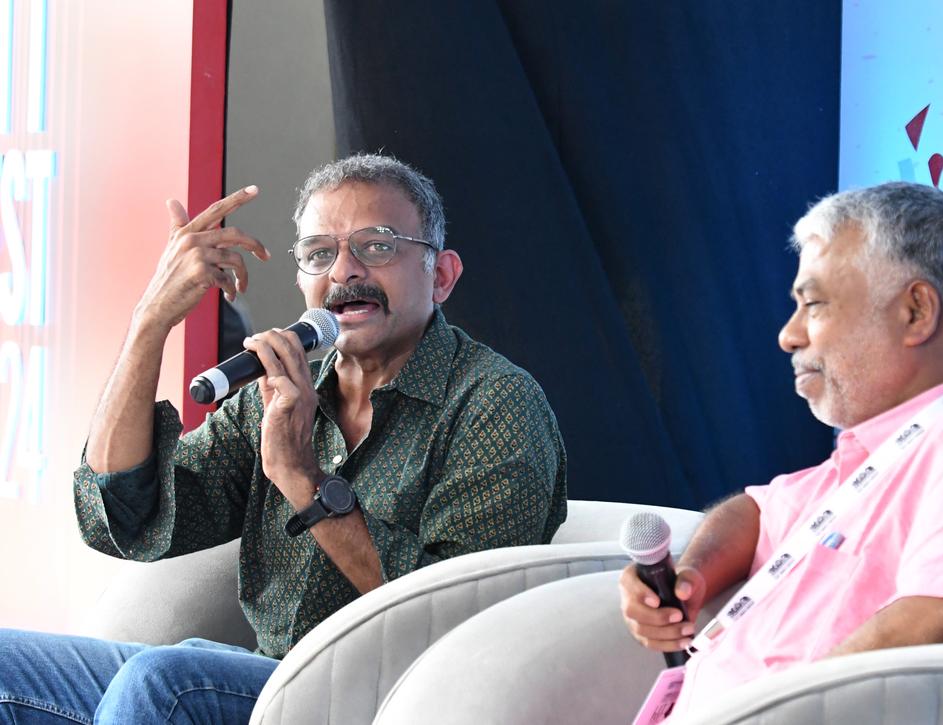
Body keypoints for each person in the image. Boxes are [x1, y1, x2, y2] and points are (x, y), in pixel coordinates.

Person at [0, 153, 567, 723]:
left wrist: (303, 479)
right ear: (302, 281)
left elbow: (457, 619)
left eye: (377, 245)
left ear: (440, 275)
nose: (344, 271)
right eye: (321, 253)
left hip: (395, 697)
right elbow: (123, 518)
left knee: (168, 684)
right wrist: (152, 320)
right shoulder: (277, 393)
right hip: (264, 683)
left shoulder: (495, 403)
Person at [619, 181, 943, 716]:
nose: (789, 336)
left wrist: (774, 712)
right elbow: (759, 513)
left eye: (812, 305)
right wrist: (692, 577)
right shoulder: (882, 451)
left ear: (915, 313)